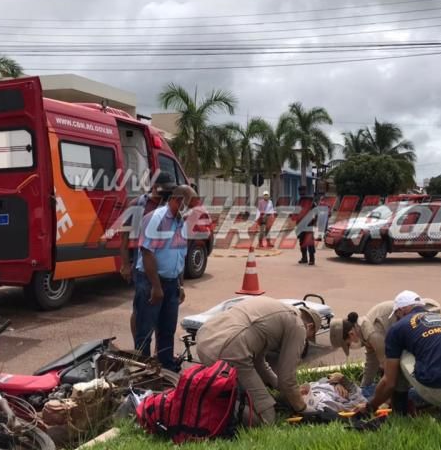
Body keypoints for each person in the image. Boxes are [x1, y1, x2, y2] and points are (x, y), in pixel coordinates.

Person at [195, 296, 322, 424]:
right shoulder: (298, 326)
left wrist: (278, 386)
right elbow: (287, 378)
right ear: (310, 327)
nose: (305, 342)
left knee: (249, 395)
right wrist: (304, 408)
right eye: (308, 338)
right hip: (230, 350)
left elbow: (259, 361)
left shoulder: (278, 309)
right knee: (268, 418)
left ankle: (214, 398)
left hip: (205, 341)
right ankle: (209, 404)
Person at [365, 290, 441, 419]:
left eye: (397, 315)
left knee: (398, 354)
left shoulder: (398, 328)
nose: (397, 319)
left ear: (402, 309)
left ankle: (400, 411)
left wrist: (370, 407)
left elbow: (389, 383)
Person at [133, 185, 196, 370]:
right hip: (151, 282)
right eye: (188, 205)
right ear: (177, 200)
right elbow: (147, 253)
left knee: (167, 328)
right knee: (145, 329)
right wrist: (156, 287)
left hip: (171, 284)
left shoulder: (181, 222)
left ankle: (166, 364)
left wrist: (180, 285)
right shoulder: (156, 218)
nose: (191, 210)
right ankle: (142, 368)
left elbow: (179, 255)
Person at [330, 297, 441, 392]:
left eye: (348, 344)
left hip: (436, 323)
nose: (351, 346)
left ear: (351, 334)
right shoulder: (364, 331)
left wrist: (384, 400)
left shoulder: (373, 334)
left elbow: (389, 371)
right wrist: (363, 388)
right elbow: (371, 363)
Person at [120, 172, 177, 341]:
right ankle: (140, 350)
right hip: (143, 265)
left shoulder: (171, 205)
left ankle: (161, 356)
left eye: (170, 190)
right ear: (154, 187)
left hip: (165, 268)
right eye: (164, 190)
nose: (167, 194)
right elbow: (124, 237)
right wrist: (125, 264)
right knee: (141, 312)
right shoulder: (138, 205)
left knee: (163, 315)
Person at [295, 195, 317, 265]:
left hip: (309, 226)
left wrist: (314, 222)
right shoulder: (299, 202)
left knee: (310, 243)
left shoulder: (312, 203)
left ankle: (312, 259)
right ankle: (304, 258)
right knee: (302, 242)